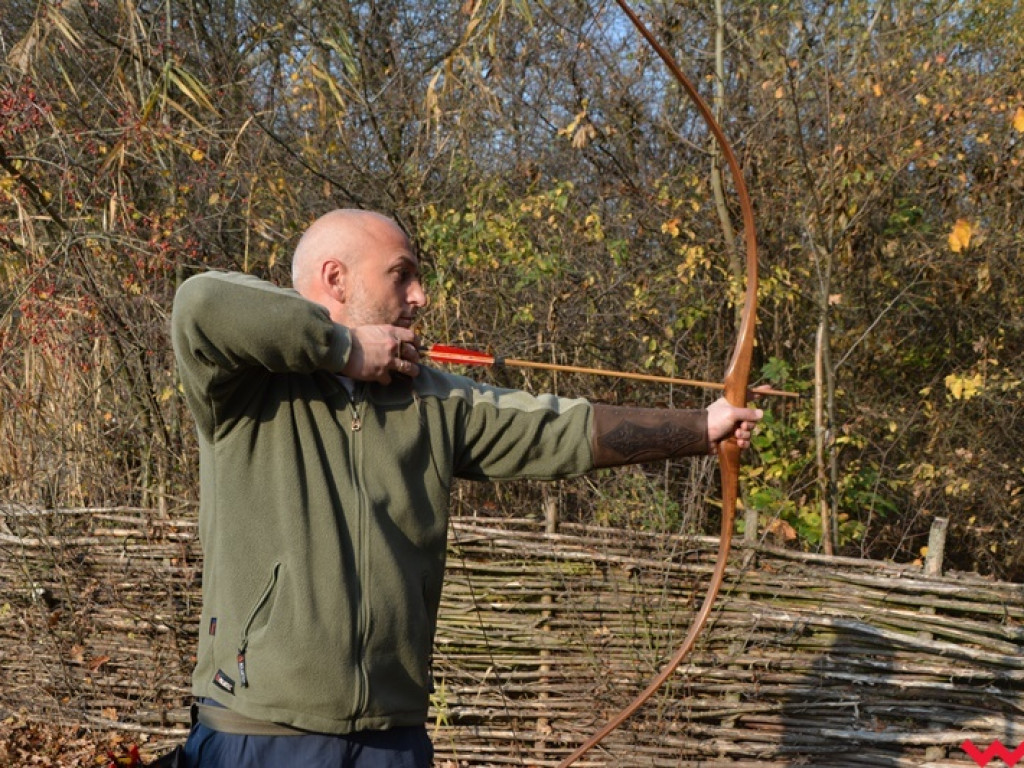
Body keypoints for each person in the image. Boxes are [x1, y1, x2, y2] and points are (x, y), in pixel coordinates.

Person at [171, 208, 762, 767]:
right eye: (401, 276)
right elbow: (201, 301)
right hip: (261, 732)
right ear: (335, 279)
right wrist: (344, 350)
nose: (420, 296)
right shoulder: (246, 390)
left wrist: (703, 429)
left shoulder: (430, 398)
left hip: (391, 737)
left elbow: (562, 431)